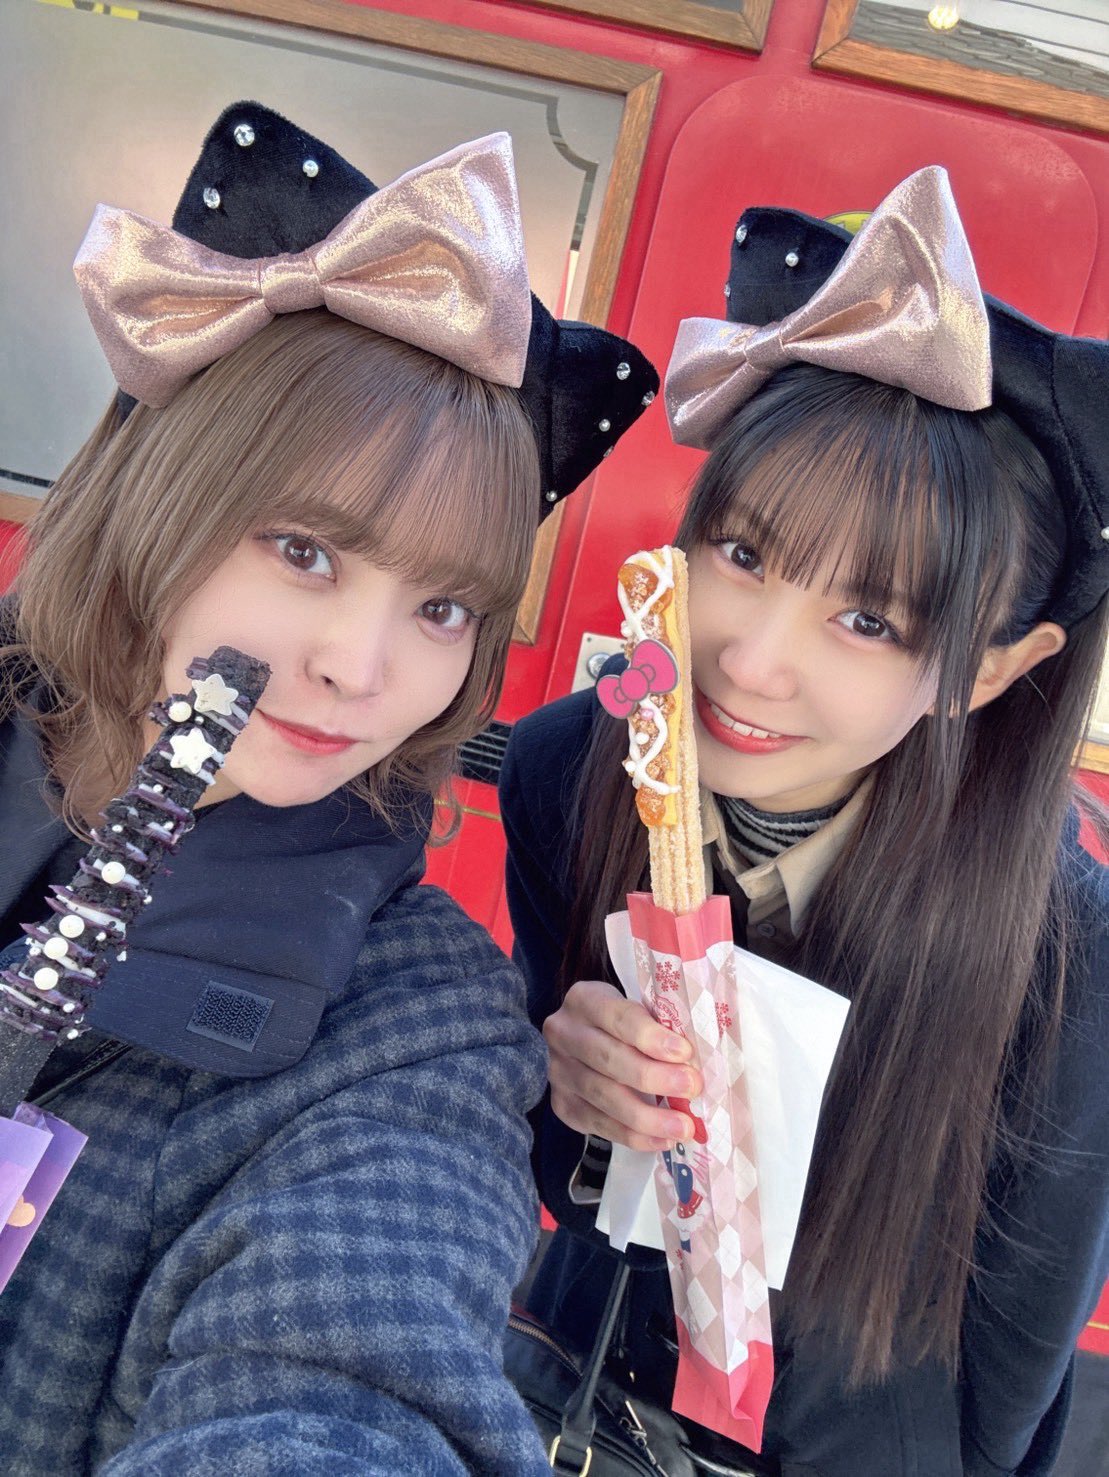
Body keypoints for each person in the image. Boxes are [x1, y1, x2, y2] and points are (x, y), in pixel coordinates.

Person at [0, 102, 657, 1474]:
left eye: (443, 607)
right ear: (151, 490)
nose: (360, 668)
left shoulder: (418, 1030)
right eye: (303, 549)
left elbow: (357, 1384)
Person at [501, 167, 1109, 1477]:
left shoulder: (1068, 946)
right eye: (742, 554)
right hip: (578, 1400)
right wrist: (574, 1092)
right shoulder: (564, 772)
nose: (751, 660)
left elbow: (1013, 1359)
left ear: (989, 671)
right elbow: (560, 1179)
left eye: (869, 618)